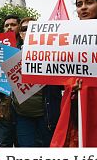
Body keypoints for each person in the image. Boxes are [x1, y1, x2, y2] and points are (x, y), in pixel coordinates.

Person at [51, 0, 97, 160]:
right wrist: (71, 87)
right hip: (78, 106)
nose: (84, 8)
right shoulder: (68, 38)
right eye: (79, 5)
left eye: (89, 3)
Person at [12, 18, 63, 148]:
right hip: (22, 117)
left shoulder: (52, 55)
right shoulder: (11, 55)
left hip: (46, 116)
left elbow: (63, 82)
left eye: (33, 29)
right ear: (20, 33)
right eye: (24, 29)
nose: (28, 32)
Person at [0, 14, 20, 148]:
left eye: (13, 25)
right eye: (6, 25)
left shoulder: (27, 48)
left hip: (24, 109)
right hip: (4, 108)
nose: (9, 27)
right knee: (3, 147)